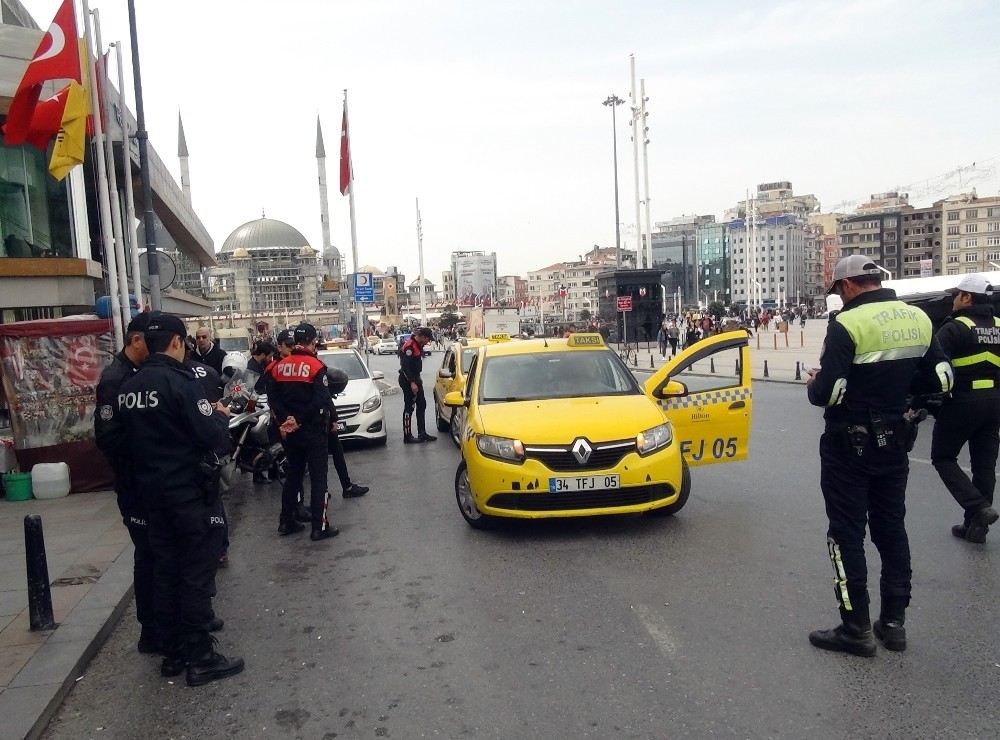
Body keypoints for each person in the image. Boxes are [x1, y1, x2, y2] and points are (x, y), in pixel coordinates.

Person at [805, 256, 953, 657]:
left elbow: (830, 392)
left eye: (838, 291)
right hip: (896, 441)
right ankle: (893, 624)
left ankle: (855, 628)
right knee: (891, 530)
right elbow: (942, 377)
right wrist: (901, 395)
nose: (839, 298)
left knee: (846, 534)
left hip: (847, 443)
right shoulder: (919, 319)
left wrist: (815, 383)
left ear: (849, 286)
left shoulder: (847, 324)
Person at [109, 312, 244, 686]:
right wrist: (218, 415)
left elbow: (116, 442)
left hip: (150, 494)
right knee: (197, 571)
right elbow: (213, 438)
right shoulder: (181, 383)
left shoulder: (129, 387)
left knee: (165, 571)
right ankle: (201, 656)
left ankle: (173, 652)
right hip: (186, 494)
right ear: (176, 342)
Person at [95, 312, 154, 653]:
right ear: (135, 341)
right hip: (134, 484)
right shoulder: (114, 379)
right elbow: (108, 437)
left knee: (158, 553)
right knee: (147, 555)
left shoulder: (135, 374)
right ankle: (150, 629)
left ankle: (164, 619)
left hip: (147, 480)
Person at [931, 274, 1000, 544]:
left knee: (943, 457)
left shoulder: (954, 328)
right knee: (984, 465)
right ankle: (976, 529)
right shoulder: (999, 325)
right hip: (995, 402)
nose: (953, 300)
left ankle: (978, 507)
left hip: (962, 401)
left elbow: (934, 366)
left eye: (956, 295)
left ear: (967, 298)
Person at [268, 322, 338, 540]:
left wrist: (286, 420)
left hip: (290, 432)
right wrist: (299, 419)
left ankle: (286, 522)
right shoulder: (316, 366)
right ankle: (320, 526)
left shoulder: (277, 367)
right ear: (313, 341)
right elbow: (321, 400)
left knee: (294, 476)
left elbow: (273, 399)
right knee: (319, 479)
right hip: (313, 429)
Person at [326, 367, 370, 499]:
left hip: (316, 420)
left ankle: (345, 487)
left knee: (336, 453)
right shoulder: (312, 368)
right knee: (320, 458)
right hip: (316, 422)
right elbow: (325, 399)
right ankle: (324, 490)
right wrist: (333, 419)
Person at [398, 327, 437, 444]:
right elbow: (405, 367)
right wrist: (412, 383)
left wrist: (417, 380)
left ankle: (422, 433)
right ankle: (407, 436)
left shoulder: (417, 345)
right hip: (407, 379)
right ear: (423, 337)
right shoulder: (409, 346)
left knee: (422, 404)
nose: (428, 342)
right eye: (428, 339)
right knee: (409, 407)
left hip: (415, 378)